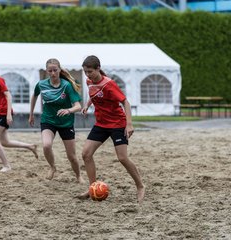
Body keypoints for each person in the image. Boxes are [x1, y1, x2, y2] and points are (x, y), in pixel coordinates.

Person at [79, 55, 145, 203]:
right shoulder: (89, 81)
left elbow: (125, 102)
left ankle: (140, 186)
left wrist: (129, 124)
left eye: (90, 71)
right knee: (86, 154)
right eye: (85, 72)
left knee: (122, 158)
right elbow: (94, 94)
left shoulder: (109, 84)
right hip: (101, 124)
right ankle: (93, 188)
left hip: (117, 124)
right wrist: (87, 105)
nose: (87, 74)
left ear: (98, 68)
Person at [29, 58, 84, 183]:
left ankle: (78, 176)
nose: (53, 73)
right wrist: (31, 114)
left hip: (66, 122)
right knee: (46, 145)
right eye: (50, 71)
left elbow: (78, 106)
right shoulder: (41, 84)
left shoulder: (67, 85)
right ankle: (52, 167)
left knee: (72, 156)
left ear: (59, 70)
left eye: (55, 70)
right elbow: (35, 96)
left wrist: (68, 110)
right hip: (48, 120)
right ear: (47, 71)